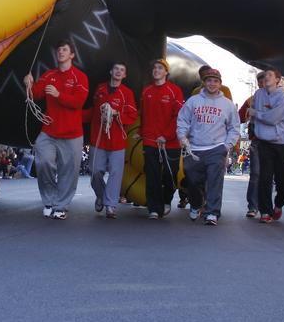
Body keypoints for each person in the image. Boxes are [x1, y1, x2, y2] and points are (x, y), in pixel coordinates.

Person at [23, 39, 89, 221]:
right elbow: (35, 94)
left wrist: (59, 95)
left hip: (72, 134)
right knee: (43, 162)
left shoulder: (80, 77)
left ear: (72, 55)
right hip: (49, 131)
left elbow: (78, 102)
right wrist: (29, 84)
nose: (60, 52)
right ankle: (50, 201)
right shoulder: (49, 75)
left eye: (64, 49)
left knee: (69, 172)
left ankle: (61, 206)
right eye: (59, 49)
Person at [176, 68, 240, 225]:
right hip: (194, 148)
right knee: (191, 180)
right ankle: (196, 204)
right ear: (203, 83)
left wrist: (227, 145)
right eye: (209, 80)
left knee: (214, 181)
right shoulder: (193, 101)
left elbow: (234, 127)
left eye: (215, 81)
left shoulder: (227, 105)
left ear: (220, 84)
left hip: (216, 148)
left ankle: (212, 212)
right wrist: (182, 136)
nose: (212, 84)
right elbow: (183, 120)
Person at [86, 62, 137, 218]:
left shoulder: (127, 93)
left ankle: (110, 205)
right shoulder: (100, 89)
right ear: (111, 71)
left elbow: (132, 116)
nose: (118, 72)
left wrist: (116, 114)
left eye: (122, 70)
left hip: (117, 142)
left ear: (125, 75)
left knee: (115, 174)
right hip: (98, 138)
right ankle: (101, 195)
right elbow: (93, 110)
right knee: (94, 172)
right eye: (116, 69)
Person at [138, 58, 185, 219]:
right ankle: (153, 208)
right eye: (154, 68)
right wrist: (141, 131)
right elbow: (143, 115)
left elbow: (178, 116)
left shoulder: (174, 91)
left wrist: (166, 136)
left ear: (166, 72)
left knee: (170, 175)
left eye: (160, 68)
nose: (156, 70)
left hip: (170, 142)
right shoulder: (146, 91)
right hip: (150, 141)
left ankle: (166, 200)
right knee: (152, 175)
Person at [248, 68, 284, 223]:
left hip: (282, 143)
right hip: (264, 142)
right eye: (265, 75)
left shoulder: (283, 98)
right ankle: (265, 211)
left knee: (281, 179)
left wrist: (257, 114)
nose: (266, 78)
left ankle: (279, 205)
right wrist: (253, 121)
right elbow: (250, 112)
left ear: (277, 80)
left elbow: (273, 118)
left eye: (270, 75)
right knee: (264, 177)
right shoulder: (258, 95)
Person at [239, 71, 266, 218]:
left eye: (265, 81)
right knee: (256, 173)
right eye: (260, 82)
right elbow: (239, 117)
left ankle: (266, 207)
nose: (263, 84)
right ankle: (253, 206)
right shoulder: (252, 99)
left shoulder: (278, 99)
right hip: (257, 140)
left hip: (273, 142)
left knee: (268, 175)